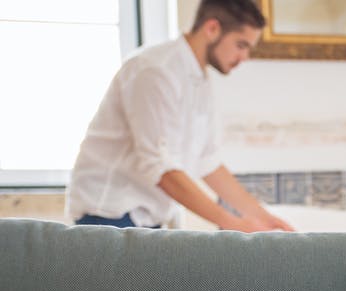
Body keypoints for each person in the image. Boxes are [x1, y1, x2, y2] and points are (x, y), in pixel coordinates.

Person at [66, 0, 293, 232]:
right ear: (212, 29)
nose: (244, 57)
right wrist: (232, 223)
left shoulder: (199, 78)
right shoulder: (154, 70)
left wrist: (265, 218)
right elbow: (160, 168)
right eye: (241, 45)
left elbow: (208, 161)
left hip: (145, 219)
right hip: (108, 215)